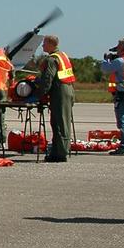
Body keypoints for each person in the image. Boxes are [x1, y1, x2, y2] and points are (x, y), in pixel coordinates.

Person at [36, 34, 76, 162]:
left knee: (59, 122)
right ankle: (60, 150)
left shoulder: (51, 60)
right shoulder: (63, 56)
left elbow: (48, 79)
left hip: (60, 92)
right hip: (68, 89)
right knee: (62, 121)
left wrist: (40, 95)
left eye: (45, 43)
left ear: (51, 44)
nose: (42, 45)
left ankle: (60, 153)